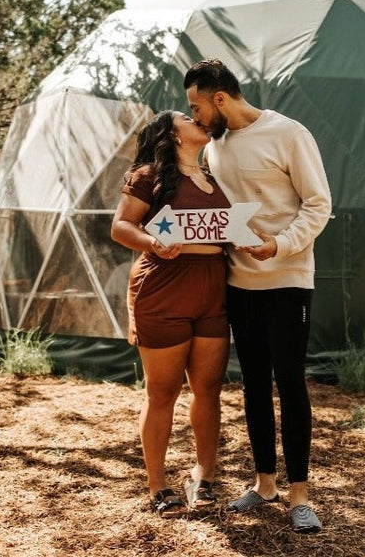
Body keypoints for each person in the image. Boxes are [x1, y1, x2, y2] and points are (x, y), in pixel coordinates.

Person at [183, 59, 332, 535]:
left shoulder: (288, 133)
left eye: (197, 106)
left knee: (289, 382)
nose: (195, 117)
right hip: (238, 284)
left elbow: (319, 204)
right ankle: (264, 484)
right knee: (252, 385)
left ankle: (300, 495)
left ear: (220, 98)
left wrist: (278, 245)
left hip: (288, 279)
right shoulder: (215, 148)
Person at [110, 110, 231, 517]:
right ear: (171, 135)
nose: (196, 117)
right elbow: (121, 227)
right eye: (185, 115)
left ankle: (203, 476)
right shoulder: (148, 175)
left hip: (213, 287)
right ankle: (158, 486)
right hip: (163, 286)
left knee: (208, 389)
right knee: (162, 391)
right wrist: (152, 242)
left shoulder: (216, 176)